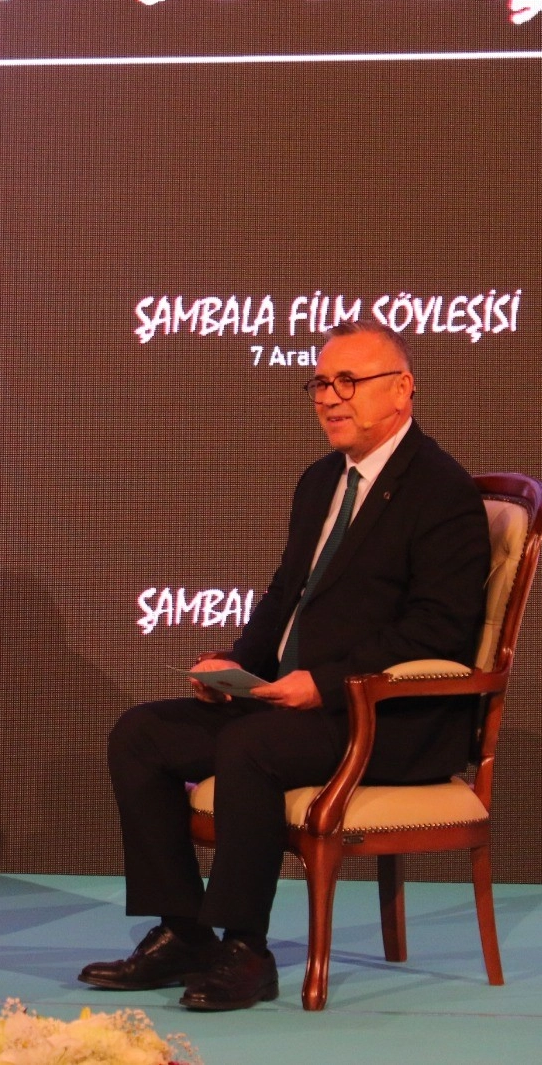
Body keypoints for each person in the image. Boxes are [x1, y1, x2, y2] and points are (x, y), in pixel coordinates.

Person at [79, 321, 490, 1011]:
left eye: (348, 382)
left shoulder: (440, 490)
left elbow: (439, 627)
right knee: (141, 734)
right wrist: (236, 665)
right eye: (320, 383)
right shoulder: (320, 480)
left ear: (402, 389)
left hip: (388, 717)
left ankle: (245, 949)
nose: (329, 397)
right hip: (293, 703)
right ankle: (184, 932)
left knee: (251, 746)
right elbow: (283, 598)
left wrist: (325, 684)